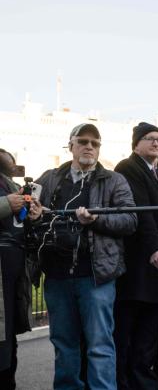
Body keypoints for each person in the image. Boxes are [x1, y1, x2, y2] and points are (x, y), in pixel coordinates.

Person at [34, 124, 137, 389]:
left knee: (100, 345)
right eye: (83, 141)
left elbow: (130, 220)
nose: (89, 147)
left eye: (95, 143)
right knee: (64, 345)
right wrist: (32, 214)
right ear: (71, 145)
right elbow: (31, 217)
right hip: (56, 275)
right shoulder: (49, 178)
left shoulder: (113, 180)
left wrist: (96, 220)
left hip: (96, 276)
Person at [114, 122, 158, 389]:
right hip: (139, 266)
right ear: (136, 143)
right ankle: (126, 383)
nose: (156, 143)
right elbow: (141, 211)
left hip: (154, 269)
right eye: (150, 138)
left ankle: (142, 383)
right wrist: (155, 249)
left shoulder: (153, 172)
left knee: (147, 336)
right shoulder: (128, 168)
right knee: (128, 334)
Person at [0, 150, 36, 389]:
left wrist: (32, 212)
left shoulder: (10, 183)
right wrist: (5, 204)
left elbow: (19, 222)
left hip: (13, 267)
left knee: (7, 335)